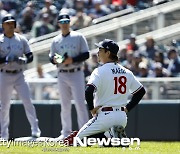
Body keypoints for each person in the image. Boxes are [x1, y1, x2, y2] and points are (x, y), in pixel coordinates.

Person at [74, 39, 146, 146]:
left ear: (108, 53)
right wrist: (128, 108)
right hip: (122, 117)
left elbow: (89, 91)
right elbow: (141, 92)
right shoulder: (126, 71)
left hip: (105, 116)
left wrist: (91, 109)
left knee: (77, 141)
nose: (98, 52)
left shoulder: (99, 70)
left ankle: (110, 137)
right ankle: (112, 136)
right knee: (101, 143)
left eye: (100, 50)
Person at [49, 12, 89, 140]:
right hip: (62, 73)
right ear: (59, 23)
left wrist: (72, 60)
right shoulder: (56, 40)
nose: (65, 24)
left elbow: (86, 54)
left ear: (69, 23)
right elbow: (52, 56)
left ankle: (84, 133)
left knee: (80, 104)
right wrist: (55, 60)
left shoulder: (78, 36)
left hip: (76, 71)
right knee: (64, 105)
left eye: (67, 22)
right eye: (63, 22)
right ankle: (66, 133)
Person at [0, 14, 41, 140]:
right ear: (3, 25)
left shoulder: (21, 39)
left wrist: (23, 60)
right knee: (4, 105)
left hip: (19, 74)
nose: (10, 26)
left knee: (27, 101)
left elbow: (30, 56)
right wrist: (6, 59)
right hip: (4, 74)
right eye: (7, 23)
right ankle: (4, 134)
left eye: (12, 23)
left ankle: (35, 129)